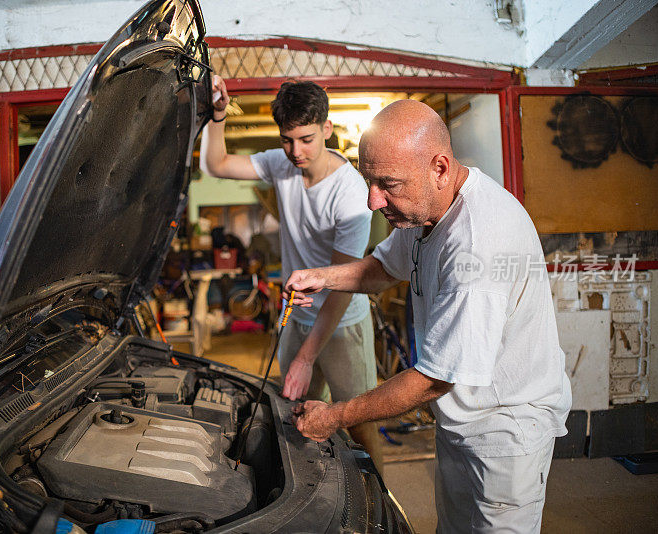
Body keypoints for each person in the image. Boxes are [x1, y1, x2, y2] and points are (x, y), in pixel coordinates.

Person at [284, 99, 571, 533]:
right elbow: (382, 270)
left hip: (506, 428)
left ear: (439, 168)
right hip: (459, 416)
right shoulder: (423, 211)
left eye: (388, 184)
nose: (372, 200)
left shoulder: (478, 244)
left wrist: (337, 416)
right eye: (369, 181)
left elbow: (435, 377)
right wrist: (322, 277)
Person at [201, 75, 382, 469]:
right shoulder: (281, 164)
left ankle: (379, 498)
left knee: (359, 425)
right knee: (292, 415)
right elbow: (215, 164)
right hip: (296, 316)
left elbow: (343, 284)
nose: (296, 151)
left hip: (341, 321)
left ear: (327, 130)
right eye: (287, 139)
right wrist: (218, 116)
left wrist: (305, 357)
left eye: (306, 139)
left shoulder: (350, 194)